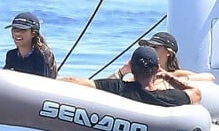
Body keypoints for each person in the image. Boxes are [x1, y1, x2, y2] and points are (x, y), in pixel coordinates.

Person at [63, 46, 201, 106]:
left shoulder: (119, 88)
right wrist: (167, 77)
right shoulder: (169, 97)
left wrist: (121, 72)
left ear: (131, 66)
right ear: (157, 69)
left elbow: (74, 81)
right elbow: (196, 93)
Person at [111, 31, 215, 88]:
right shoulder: (139, 77)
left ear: (169, 53)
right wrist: (122, 71)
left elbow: (210, 78)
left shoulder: (177, 74)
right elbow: (104, 90)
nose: (150, 50)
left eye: (155, 47)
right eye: (149, 46)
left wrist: (169, 77)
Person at [3, 12, 57, 78]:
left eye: (23, 30)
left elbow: (44, 83)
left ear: (33, 34)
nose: (17, 34)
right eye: (15, 30)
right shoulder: (11, 55)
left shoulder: (41, 55)